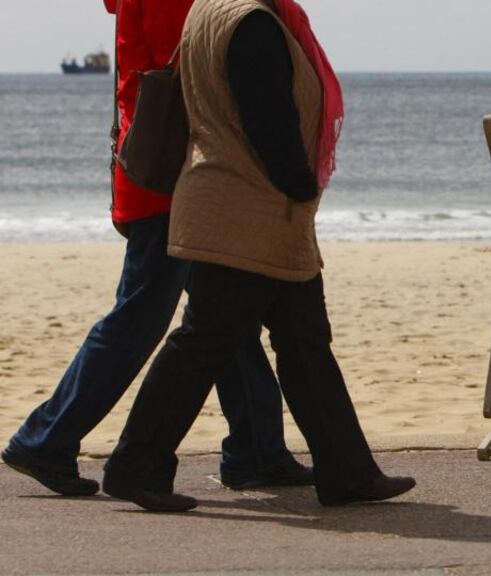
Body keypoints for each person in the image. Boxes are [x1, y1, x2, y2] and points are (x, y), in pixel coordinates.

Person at [101, 0, 415, 513]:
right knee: (206, 339)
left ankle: (348, 470)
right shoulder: (251, 23)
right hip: (248, 207)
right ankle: (136, 464)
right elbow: (268, 120)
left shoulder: (208, 10)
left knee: (303, 339)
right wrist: (299, 185)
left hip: (238, 201)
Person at [0, 0, 312, 497]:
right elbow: (198, 70)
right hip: (174, 178)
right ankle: (46, 437)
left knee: (221, 311)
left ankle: (258, 448)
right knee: (149, 314)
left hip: (168, 174)